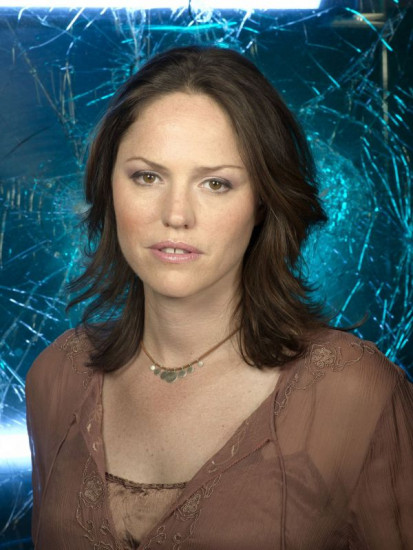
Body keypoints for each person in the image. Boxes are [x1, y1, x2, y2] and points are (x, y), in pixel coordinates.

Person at [25, 46, 413, 550]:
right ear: (108, 187)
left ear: (262, 202)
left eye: (215, 183)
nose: (176, 214)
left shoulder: (355, 394)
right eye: (148, 176)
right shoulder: (55, 377)